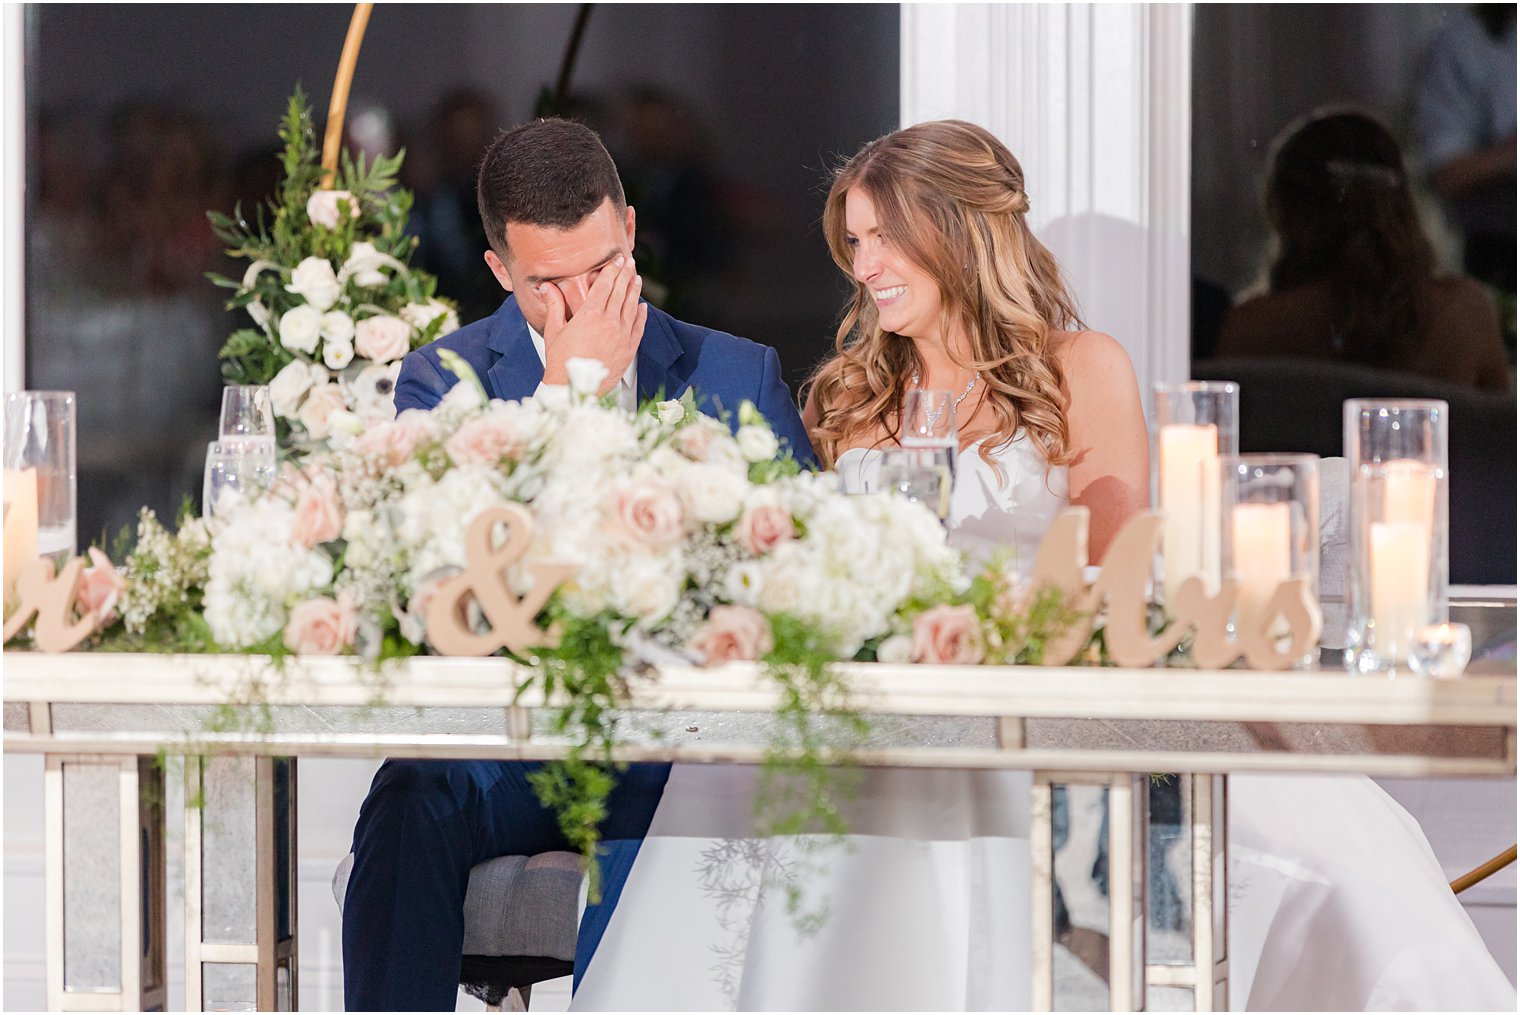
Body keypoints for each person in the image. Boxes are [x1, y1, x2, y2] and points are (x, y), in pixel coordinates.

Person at [571, 121, 1515, 1010]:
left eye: (885, 240)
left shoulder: (1078, 369)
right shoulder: (849, 400)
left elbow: (1114, 555)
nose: (864, 268)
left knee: (1339, 855)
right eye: (854, 242)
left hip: (1052, 694)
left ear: (960, 235)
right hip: (889, 708)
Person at [345, 117, 814, 1011]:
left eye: (601, 270)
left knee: (672, 823)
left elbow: (802, 572)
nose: (579, 302)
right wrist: (567, 392)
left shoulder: (735, 374)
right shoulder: (443, 381)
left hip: (675, 749)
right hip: (510, 744)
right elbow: (442, 593)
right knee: (407, 794)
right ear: (498, 272)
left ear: (630, 230)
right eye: (546, 284)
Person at [1216, 108, 1510, 393]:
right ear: (1403, 204)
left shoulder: (1251, 327)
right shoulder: (1464, 313)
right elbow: (1497, 437)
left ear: (1283, 213)